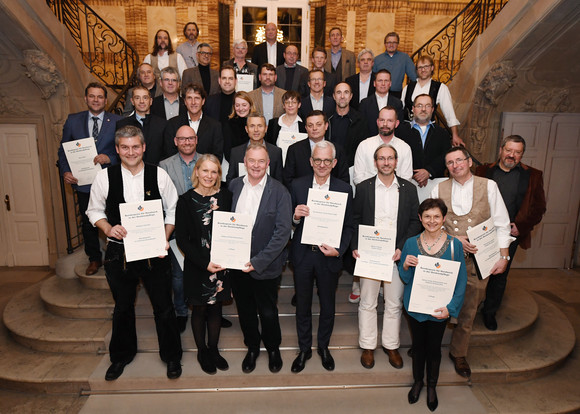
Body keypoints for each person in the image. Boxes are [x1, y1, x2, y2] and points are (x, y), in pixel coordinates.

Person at [86, 125, 182, 381]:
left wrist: (164, 235)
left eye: (135, 147)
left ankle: (172, 356)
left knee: (164, 307)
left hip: (155, 252)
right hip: (119, 254)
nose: (131, 152)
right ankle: (121, 356)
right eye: (125, 147)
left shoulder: (159, 175)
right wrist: (108, 227)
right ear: (117, 150)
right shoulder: (104, 177)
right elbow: (94, 211)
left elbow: (173, 209)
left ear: (143, 147)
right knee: (123, 308)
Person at [431, 146, 514, 378]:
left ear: (469, 162)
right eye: (450, 162)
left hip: (479, 261)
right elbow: (430, 223)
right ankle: (430, 348)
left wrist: (503, 256)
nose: (455, 165)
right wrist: (452, 238)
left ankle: (458, 353)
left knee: (468, 310)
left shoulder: (489, 186)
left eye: (459, 160)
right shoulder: (438, 188)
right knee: (437, 305)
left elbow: (501, 223)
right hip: (445, 258)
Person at [351, 144, 421, 371]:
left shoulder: (409, 189)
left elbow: (414, 222)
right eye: (381, 158)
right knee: (368, 302)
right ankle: (368, 345)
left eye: (390, 158)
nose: (386, 162)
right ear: (375, 162)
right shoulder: (363, 188)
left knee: (393, 304)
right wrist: (355, 246)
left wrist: (403, 248)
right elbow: (355, 219)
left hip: (396, 255)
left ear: (396, 161)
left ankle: (391, 345)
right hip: (370, 255)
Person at [290, 141, 354, 373]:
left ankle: (323, 347)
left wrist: (339, 249)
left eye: (327, 160)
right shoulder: (297, 186)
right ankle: (304, 348)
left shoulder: (344, 189)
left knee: (327, 305)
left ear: (334, 163)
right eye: (318, 160)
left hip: (329, 256)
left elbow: (349, 226)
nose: (322, 165)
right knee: (303, 305)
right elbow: (289, 223)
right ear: (311, 161)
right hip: (303, 255)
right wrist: (295, 217)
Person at [228, 143, 292, 374]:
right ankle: (252, 347)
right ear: (245, 162)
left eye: (261, 161)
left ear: (268, 164)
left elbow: (283, 232)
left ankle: (273, 348)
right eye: (252, 161)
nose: (256, 165)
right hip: (236, 264)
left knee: (267, 310)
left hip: (266, 266)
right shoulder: (233, 186)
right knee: (244, 310)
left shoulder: (280, 191)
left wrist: (258, 261)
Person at [399, 198, 467, 412]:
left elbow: (461, 280)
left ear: (444, 218)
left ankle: (431, 386)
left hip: (440, 309)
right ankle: (418, 382)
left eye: (436, 216)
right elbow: (404, 277)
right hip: (416, 307)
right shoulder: (411, 242)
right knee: (418, 348)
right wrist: (406, 266)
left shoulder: (455, 245)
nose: (432, 220)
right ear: (420, 218)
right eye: (427, 216)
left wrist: (451, 308)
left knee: (434, 349)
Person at [475, 135, 546, 330]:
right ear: (501, 150)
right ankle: (470, 309)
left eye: (517, 152)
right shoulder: (482, 171)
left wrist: (521, 227)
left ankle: (489, 312)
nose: (512, 155)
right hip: (482, 232)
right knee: (476, 272)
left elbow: (539, 208)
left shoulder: (533, 175)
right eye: (509, 150)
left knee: (499, 276)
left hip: (510, 236)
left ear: (522, 154)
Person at [175, 154, 233, 374]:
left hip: (221, 263)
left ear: (219, 174)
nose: (209, 175)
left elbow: (233, 229)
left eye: (214, 171)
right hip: (198, 266)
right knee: (199, 310)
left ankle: (214, 349)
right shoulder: (185, 200)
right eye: (205, 170)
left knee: (216, 307)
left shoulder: (226, 196)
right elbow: (182, 239)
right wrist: (204, 263)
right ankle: (202, 351)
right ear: (197, 172)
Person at [57, 82, 122, 276]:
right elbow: (63, 151)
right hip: (84, 183)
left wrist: (110, 157)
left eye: (100, 97)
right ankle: (94, 258)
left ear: (105, 99)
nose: (96, 100)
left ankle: (116, 256)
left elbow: (126, 149)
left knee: (114, 218)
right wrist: (66, 171)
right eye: (92, 96)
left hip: (110, 180)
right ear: (86, 99)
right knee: (88, 223)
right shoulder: (73, 120)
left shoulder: (117, 121)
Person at [160, 125, 201, 332]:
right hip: (176, 229)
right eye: (182, 139)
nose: (187, 142)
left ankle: (207, 310)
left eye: (191, 138)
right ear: (175, 141)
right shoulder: (164, 166)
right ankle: (181, 312)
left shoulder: (206, 161)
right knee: (178, 276)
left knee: (204, 271)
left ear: (196, 140)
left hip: (203, 228)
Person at [402, 55, 464, 146]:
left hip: (429, 132)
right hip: (408, 131)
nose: (423, 70)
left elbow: (449, 113)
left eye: (426, 66)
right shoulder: (408, 87)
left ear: (432, 68)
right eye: (420, 67)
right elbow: (400, 110)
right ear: (417, 70)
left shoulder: (440, 88)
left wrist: (455, 135)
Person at [283, 110, 350, 189]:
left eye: (318, 125)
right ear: (306, 128)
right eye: (310, 125)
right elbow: (287, 180)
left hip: (330, 198)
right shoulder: (294, 150)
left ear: (326, 126)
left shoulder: (337, 150)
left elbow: (344, 180)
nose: (314, 128)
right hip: (302, 198)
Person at [396, 94, 452, 188]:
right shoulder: (400, 132)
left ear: (433, 109)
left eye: (428, 106)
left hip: (435, 184)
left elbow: (446, 156)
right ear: (413, 109)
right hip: (406, 184)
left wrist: (429, 172)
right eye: (419, 105)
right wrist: (415, 175)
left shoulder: (442, 133)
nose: (423, 109)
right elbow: (396, 156)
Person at [163, 83, 224, 161]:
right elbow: (169, 154)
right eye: (189, 98)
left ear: (203, 101)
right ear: (185, 101)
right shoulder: (172, 124)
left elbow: (217, 157)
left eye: (197, 98)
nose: (193, 102)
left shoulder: (215, 126)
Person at [353, 106, 413, 185]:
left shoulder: (405, 148)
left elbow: (407, 178)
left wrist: (389, 189)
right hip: (369, 194)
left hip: (396, 194)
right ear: (377, 122)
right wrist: (377, 189)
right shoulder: (364, 145)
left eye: (390, 121)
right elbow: (358, 178)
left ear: (396, 123)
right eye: (382, 120)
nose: (385, 124)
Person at [116, 85, 167, 165]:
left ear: (151, 101)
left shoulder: (163, 124)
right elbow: (119, 153)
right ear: (132, 101)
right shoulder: (122, 125)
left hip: (157, 171)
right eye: (137, 98)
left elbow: (166, 153)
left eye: (145, 98)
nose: (141, 101)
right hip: (130, 171)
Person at [226, 113, 283, 183]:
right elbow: (230, 180)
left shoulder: (276, 152)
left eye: (260, 126)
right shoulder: (236, 152)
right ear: (246, 129)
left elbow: (279, 181)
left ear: (266, 128)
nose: (256, 130)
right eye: (252, 126)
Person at [327, 82, 368, 167]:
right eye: (339, 93)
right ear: (334, 96)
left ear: (351, 96)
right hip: (328, 166)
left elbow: (363, 148)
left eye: (346, 92)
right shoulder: (326, 119)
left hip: (352, 167)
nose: (342, 96)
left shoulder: (360, 120)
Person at [358, 69, 404, 136]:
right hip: (370, 143)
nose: (383, 84)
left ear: (390, 83)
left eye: (386, 81)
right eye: (380, 81)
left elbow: (399, 127)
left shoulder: (398, 103)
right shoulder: (364, 103)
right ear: (374, 83)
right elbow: (361, 127)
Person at [372, 32, 416, 98]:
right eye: (389, 42)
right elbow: (372, 79)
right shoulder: (377, 59)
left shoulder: (405, 58)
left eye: (394, 42)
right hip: (380, 94)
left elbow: (414, 77)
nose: (391, 45)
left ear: (398, 44)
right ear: (385, 44)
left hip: (397, 95)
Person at [223, 91, 254, 161]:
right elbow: (228, 151)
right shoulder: (228, 124)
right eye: (237, 105)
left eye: (244, 105)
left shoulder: (256, 122)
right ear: (234, 107)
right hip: (236, 163)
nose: (240, 108)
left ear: (250, 106)